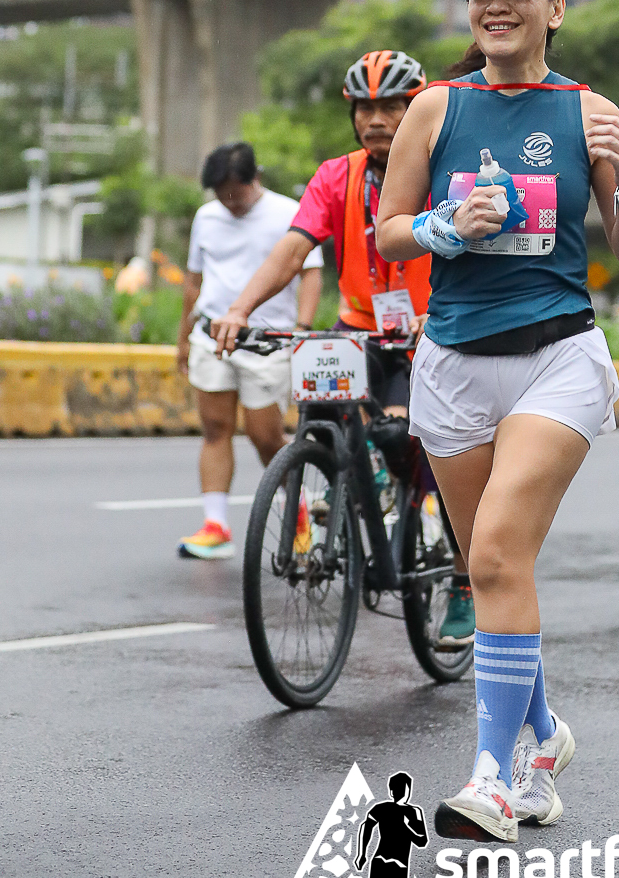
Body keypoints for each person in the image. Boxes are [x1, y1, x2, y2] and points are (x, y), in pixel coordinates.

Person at [375, 0, 619, 844]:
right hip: (453, 361)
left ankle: (492, 780)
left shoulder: (587, 113)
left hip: (555, 357)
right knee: (491, 568)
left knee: (495, 552)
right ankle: (543, 735)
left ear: (554, 9)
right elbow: (387, 232)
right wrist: (442, 225)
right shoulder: (433, 107)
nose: (497, 6)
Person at [209, 51, 477, 645]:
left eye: (391, 107)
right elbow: (292, 250)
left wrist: (439, 312)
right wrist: (240, 309)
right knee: (322, 404)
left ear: (417, 109)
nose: (375, 120)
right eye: (364, 108)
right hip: (358, 329)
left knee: (423, 445)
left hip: (432, 333)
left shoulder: (447, 167)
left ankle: (463, 581)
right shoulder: (336, 176)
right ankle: (349, 480)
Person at [175, 141, 323, 561]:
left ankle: (299, 518)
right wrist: (182, 339)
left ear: (254, 178)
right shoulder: (207, 217)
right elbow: (193, 282)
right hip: (210, 337)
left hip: (266, 341)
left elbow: (311, 273)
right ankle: (215, 526)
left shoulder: (288, 212)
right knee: (215, 429)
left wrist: (302, 329)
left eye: (235, 194)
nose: (228, 203)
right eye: (220, 195)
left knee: (265, 436)